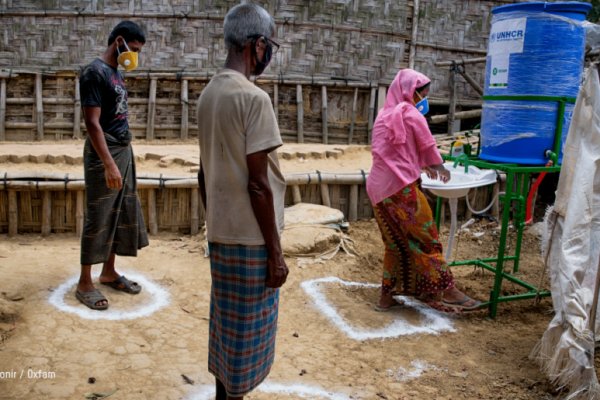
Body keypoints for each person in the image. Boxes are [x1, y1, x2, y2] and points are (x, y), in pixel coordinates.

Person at [196, 4, 288, 400]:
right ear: (258, 44)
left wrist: (214, 221)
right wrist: (275, 253)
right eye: (271, 45)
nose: (270, 54)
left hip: (222, 234)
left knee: (226, 332)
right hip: (252, 241)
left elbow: (203, 174)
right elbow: (258, 185)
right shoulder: (253, 99)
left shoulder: (208, 94)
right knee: (248, 337)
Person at [366, 68, 481, 313]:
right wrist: (440, 167)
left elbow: (395, 151)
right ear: (411, 92)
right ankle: (447, 290)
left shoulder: (384, 115)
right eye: (423, 93)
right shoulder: (409, 113)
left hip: (377, 189)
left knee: (395, 244)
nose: (424, 98)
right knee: (427, 238)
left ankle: (387, 298)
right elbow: (428, 145)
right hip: (399, 189)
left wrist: (421, 166)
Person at [76, 21, 148, 310]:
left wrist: (120, 157)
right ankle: (84, 282)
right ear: (118, 41)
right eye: (133, 49)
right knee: (99, 213)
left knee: (119, 211)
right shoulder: (94, 72)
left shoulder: (116, 72)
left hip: (122, 149)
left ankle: (108, 272)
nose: (134, 55)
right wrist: (108, 163)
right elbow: (92, 123)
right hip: (103, 152)